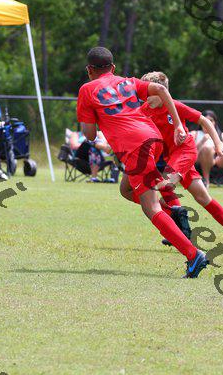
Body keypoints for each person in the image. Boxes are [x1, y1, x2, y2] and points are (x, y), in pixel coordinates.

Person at [77, 47, 208, 278]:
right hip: (153, 138)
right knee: (126, 189)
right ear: (113, 68)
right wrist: (178, 124)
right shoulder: (127, 82)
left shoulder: (87, 90)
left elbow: (89, 134)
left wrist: (94, 118)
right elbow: (161, 89)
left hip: (135, 146)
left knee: (151, 208)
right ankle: (173, 212)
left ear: (89, 70)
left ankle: (193, 254)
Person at [118, 72, 223, 251]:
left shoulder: (175, 106)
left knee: (166, 184)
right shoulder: (145, 110)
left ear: (160, 91)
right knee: (202, 197)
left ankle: (180, 228)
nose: (144, 97)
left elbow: (205, 121)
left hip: (184, 152)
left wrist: (218, 144)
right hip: (169, 158)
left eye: (147, 93)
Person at [192, 110, 223, 188]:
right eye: (206, 120)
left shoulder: (222, 135)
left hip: (218, 162)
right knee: (207, 148)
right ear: (201, 122)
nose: (208, 122)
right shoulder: (194, 134)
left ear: (215, 122)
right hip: (200, 162)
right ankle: (206, 181)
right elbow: (190, 153)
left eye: (211, 120)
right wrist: (202, 142)